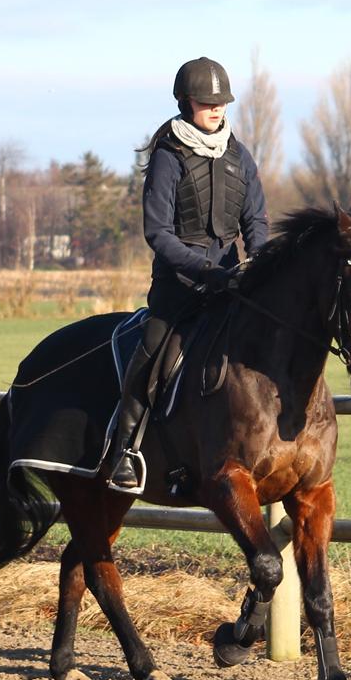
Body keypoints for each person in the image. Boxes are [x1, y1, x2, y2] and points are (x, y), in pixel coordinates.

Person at [105, 56, 269, 491]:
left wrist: (259, 260)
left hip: (231, 281)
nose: (216, 109)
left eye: (221, 102)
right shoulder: (168, 156)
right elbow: (156, 232)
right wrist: (206, 271)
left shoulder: (238, 153)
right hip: (179, 286)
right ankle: (126, 449)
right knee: (154, 352)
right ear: (186, 103)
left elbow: (256, 220)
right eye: (206, 102)